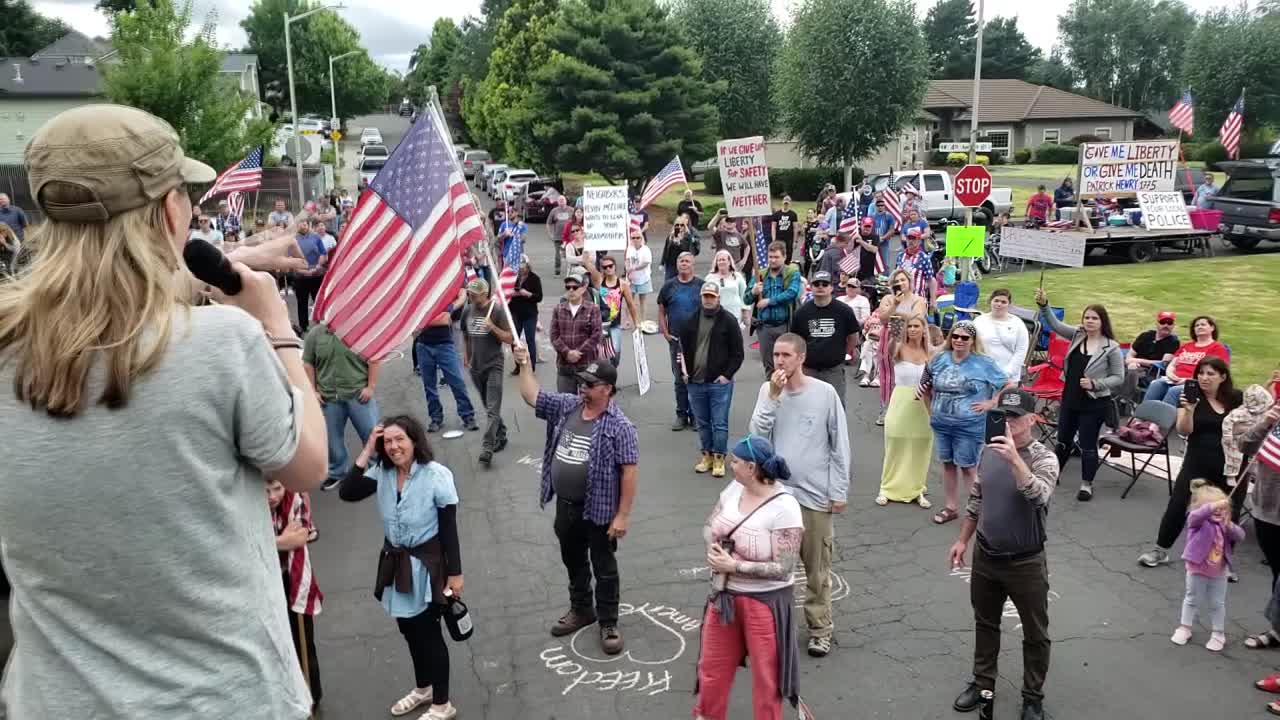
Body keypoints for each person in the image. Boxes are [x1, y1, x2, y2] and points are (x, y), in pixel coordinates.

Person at [0, 104, 326, 718]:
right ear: (171, 210)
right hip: (220, 698)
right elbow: (309, 464)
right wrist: (277, 327)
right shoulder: (223, 343)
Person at [513, 344, 638, 654]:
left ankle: (608, 621)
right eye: (582, 382)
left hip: (599, 511)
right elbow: (533, 397)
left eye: (590, 385)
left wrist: (622, 516)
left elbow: (629, 472)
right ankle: (582, 609)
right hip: (566, 506)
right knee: (573, 560)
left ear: (607, 389)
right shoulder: (568, 406)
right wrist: (525, 364)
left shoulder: (620, 426)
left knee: (604, 566)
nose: (583, 388)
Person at [339, 417, 464, 720]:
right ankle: (424, 689)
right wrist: (368, 446)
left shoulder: (436, 475)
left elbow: (449, 528)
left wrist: (455, 574)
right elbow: (348, 491)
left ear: (414, 441)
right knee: (408, 630)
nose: (394, 447)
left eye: (400, 440)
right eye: (388, 441)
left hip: (428, 565)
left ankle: (442, 703)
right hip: (396, 563)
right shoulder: (381, 471)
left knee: (429, 634)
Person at [947, 388, 1059, 720]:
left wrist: (1014, 458)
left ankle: (1032, 697)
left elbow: (1039, 497)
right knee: (986, 624)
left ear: (1032, 419)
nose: (1008, 423)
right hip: (986, 555)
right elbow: (978, 498)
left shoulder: (1043, 457)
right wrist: (963, 539)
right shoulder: (989, 451)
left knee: (1035, 633)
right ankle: (983, 685)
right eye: (1002, 416)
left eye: (1015, 417)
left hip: (1025, 560)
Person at [749, 333, 850, 657]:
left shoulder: (825, 393)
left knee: (817, 569)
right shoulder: (768, 392)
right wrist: (772, 398)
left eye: (786, 355)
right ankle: (774, 627)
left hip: (815, 496)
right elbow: (756, 440)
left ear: (801, 358)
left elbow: (839, 445)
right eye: (776, 355)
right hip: (778, 498)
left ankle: (820, 629)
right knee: (776, 568)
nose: (779, 361)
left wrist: (839, 490)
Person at [694, 435, 806, 720]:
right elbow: (710, 523)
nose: (731, 464)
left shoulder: (785, 507)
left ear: (752, 467)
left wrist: (734, 566)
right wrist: (714, 548)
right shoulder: (734, 489)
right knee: (711, 669)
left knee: (767, 680)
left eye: (736, 461)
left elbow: (785, 567)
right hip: (724, 597)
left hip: (764, 605)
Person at [1139, 357, 1243, 568]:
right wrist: (1190, 410)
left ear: (1223, 377)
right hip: (1198, 459)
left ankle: (1224, 560)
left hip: (1231, 464)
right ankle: (1161, 550)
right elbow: (1184, 430)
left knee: (1230, 510)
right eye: (1201, 373)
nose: (1204, 378)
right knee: (1178, 504)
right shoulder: (1189, 397)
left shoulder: (1236, 398)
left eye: (1210, 374)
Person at [1035, 289, 1124, 502]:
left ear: (1103, 322)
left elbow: (1118, 377)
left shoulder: (1111, 347)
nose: (1090, 321)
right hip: (1070, 398)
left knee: (1087, 445)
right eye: (1087, 317)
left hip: (1094, 404)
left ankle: (1086, 484)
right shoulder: (1077, 335)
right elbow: (1055, 325)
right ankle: (1052, 474)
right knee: (1063, 441)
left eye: (1095, 318)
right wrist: (1044, 305)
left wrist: (1096, 383)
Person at [921, 321, 1009, 525]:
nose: (959, 340)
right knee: (948, 464)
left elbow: (1008, 384)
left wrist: (992, 401)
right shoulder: (939, 359)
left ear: (973, 340)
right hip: (942, 422)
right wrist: (931, 411)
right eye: (955, 336)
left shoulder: (984, 362)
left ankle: (976, 511)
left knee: (968, 467)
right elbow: (926, 386)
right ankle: (951, 507)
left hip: (969, 425)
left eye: (964, 337)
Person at [266, 477, 324, 709]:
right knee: (276, 642)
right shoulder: (250, 507)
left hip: (293, 578)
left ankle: (312, 696)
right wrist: (282, 540)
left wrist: (270, 541)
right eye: (266, 490)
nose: (272, 496)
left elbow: (300, 536)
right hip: (267, 581)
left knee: (303, 642)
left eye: (277, 489)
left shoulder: (294, 501)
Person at [677, 281, 745, 477]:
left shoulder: (729, 321)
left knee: (719, 422)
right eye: (705, 296)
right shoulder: (690, 321)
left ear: (718, 298)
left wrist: (726, 376)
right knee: (703, 422)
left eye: (712, 297)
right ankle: (706, 455)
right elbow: (681, 349)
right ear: (701, 298)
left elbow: (738, 354)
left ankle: (719, 458)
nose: (708, 300)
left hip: (719, 383)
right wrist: (683, 372)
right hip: (695, 382)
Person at [304, 323, 380, 491]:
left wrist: (370, 387)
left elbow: (374, 358)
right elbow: (308, 363)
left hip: (358, 395)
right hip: (329, 397)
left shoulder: (360, 329)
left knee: (371, 434)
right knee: (332, 439)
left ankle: (379, 470)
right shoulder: (315, 334)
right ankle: (337, 472)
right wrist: (313, 390)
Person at [1172, 479, 1244, 652]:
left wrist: (1229, 524)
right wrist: (1213, 506)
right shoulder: (1197, 523)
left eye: (1222, 508)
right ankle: (1185, 627)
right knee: (1191, 599)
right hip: (1197, 569)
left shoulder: (1224, 525)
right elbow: (1195, 516)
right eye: (1212, 507)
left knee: (1217, 603)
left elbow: (1241, 535)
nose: (1218, 510)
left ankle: (1218, 633)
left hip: (1219, 572)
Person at [878, 314, 935, 508]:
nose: (912, 329)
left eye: (916, 326)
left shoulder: (931, 352)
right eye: (909, 326)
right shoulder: (898, 347)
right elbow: (889, 348)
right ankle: (887, 487)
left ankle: (917, 488)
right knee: (895, 441)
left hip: (924, 401)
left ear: (923, 329)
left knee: (921, 444)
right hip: (901, 398)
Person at [461, 278, 514, 467]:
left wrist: (492, 327)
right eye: (470, 293)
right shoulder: (467, 310)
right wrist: (467, 356)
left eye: (475, 294)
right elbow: (466, 335)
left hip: (494, 365)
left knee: (492, 409)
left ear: (485, 293)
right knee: (488, 405)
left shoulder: (497, 311)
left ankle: (487, 447)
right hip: (476, 367)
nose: (472, 296)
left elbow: (509, 338)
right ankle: (501, 432)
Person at [1243, 401, 1280, 655]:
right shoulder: (1275, 417)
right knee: (1277, 575)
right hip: (1264, 508)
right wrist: (1266, 421)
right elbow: (1245, 445)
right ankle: (1278, 629)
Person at [414, 290, 479, 434]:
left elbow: (443, 319)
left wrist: (423, 322)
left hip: (444, 345)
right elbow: (415, 325)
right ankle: (436, 418)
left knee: (457, 382)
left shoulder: (442, 295)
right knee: (429, 386)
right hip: (424, 346)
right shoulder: (420, 296)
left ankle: (467, 416)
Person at [790, 270, 860, 402]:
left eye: (825, 284)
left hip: (834, 370)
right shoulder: (801, 313)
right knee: (808, 407)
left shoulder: (844, 311)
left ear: (831, 287)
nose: (820, 287)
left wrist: (841, 354)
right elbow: (796, 341)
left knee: (836, 407)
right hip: (808, 369)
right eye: (817, 284)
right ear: (811, 287)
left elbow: (853, 337)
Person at [658, 252, 703, 430]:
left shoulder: (701, 285)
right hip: (676, 341)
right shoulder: (669, 286)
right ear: (677, 264)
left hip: (697, 341)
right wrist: (665, 332)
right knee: (679, 379)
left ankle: (696, 415)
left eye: (687, 261)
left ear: (693, 264)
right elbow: (661, 310)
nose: (684, 263)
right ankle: (681, 415)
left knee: (695, 378)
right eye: (681, 260)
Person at [1143, 315, 1230, 406]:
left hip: (1196, 383)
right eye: (1197, 325)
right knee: (1157, 384)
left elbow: (1218, 372)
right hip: (1173, 380)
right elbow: (1172, 364)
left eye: (1203, 325)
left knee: (1175, 391)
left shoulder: (1217, 348)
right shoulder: (1186, 346)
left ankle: (1162, 419)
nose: (1199, 327)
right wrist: (1170, 375)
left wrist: (1187, 380)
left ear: (1212, 328)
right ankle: (1141, 417)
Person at [744, 242, 803, 375]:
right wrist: (753, 291)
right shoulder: (760, 275)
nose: (773, 260)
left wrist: (769, 301)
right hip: (764, 328)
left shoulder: (792, 273)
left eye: (776, 257)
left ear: (784, 257)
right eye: (770, 257)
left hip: (785, 326)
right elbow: (746, 299)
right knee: (770, 367)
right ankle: (773, 394)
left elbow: (792, 293)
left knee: (787, 367)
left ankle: (788, 393)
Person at [550, 270, 603, 394]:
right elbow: (554, 335)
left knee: (588, 402)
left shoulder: (593, 309)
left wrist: (578, 353)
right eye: (568, 287)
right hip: (565, 366)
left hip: (587, 366)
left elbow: (596, 335)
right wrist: (567, 352)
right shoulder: (558, 309)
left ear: (583, 288)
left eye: (575, 287)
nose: (571, 290)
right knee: (566, 404)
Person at [583, 251, 639, 368]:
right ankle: (605, 381)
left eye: (610, 266)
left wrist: (636, 323)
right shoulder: (599, 280)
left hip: (614, 325)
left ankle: (612, 371)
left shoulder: (622, 284)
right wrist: (586, 251)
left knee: (615, 355)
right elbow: (588, 264)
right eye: (605, 267)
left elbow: (630, 304)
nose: (608, 269)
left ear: (615, 267)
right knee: (600, 355)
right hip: (599, 324)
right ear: (602, 269)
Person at [1122, 311, 1180, 401]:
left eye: (1169, 323)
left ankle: (1125, 401)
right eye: (1162, 322)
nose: (1166, 325)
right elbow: (1130, 355)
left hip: (1151, 372)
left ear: (1173, 326)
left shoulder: (1173, 342)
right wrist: (1130, 362)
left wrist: (1136, 361)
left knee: (1132, 372)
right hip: (1131, 365)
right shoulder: (1145, 336)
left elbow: (1163, 363)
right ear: (1157, 324)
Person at [974, 289, 1030, 383]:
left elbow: (1021, 350)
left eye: (1003, 302)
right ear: (990, 301)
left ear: (1009, 305)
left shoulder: (1017, 323)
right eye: (996, 300)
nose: (999, 304)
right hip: (982, 374)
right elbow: (972, 346)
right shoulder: (979, 321)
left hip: (1008, 377)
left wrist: (1007, 373)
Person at [289, 219, 327, 332]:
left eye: (305, 224)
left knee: (318, 302)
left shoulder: (316, 237)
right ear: (297, 226)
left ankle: (321, 325)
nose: (303, 226)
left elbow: (323, 254)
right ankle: (303, 327)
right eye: (301, 224)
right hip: (300, 277)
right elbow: (290, 259)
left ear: (308, 225)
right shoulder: (292, 240)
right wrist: (303, 271)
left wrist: (317, 267)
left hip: (316, 275)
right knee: (302, 303)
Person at [509, 254, 543, 372]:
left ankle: (532, 365)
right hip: (515, 313)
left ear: (528, 266)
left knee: (530, 339)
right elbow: (506, 292)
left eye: (524, 267)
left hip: (530, 313)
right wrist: (513, 294)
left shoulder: (534, 278)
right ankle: (518, 365)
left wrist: (527, 294)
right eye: (519, 267)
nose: (521, 269)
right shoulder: (512, 277)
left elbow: (539, 297)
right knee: (514, 340)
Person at [624, 230, 654, 327]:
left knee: (643, 300)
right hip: (632, 278)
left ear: (642, 238)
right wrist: (628, 269)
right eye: (633, 238)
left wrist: (634, 268)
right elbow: (627, 260)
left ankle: (643, 320)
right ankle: (627, 320)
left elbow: (646, 263)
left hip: (643, 278)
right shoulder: (630, 249)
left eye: (638, 238)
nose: (636, 240)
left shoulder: (646, 249)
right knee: (629, 299)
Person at [661, 214, 699, 280]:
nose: (679, 227)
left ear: (685, 226)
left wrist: (679, 242)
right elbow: (666, 250)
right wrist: (662, 263)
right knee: (669, 284)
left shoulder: (687, 237)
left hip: (683, 265)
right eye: (677, 225)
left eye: (682, 225)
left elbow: (687, 250)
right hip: (671, 265)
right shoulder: (670, 237)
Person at [771, 196, 799, 262]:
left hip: (789, 239)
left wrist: (795, 241)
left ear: (790, 204)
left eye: (787, 203)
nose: (786, 204)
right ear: (782, 202)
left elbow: (795, 228)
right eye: (785, 203)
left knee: (788, 256)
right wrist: (774, 240)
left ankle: (786, 270)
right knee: (778, 255)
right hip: (779, 238)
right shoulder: (777, 214)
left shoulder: (793, 214)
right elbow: (773, 227)